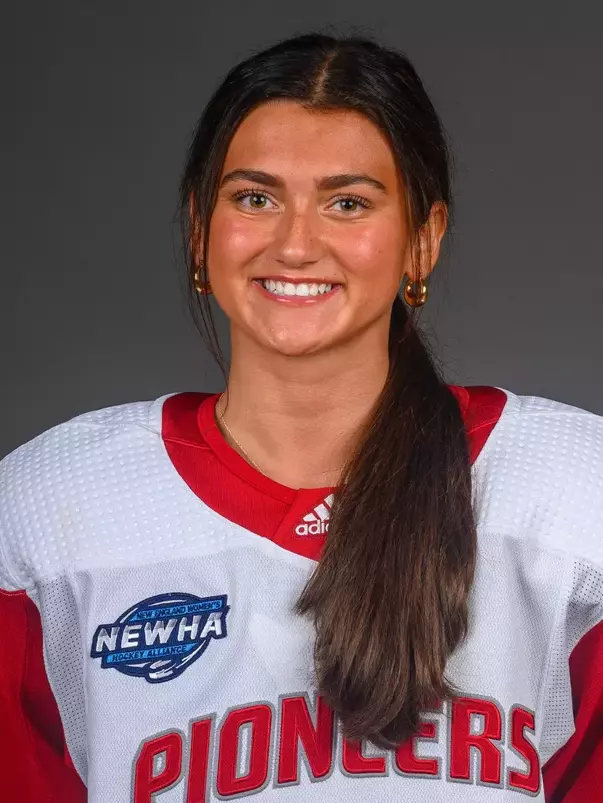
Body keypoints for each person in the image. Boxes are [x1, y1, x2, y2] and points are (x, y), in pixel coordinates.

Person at [0, 31, 601, 803]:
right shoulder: (50, 512)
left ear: (423, 239)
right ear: (198, 228)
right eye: (254, 198)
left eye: (347, 203)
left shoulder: (569, 493)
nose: (294, 243)